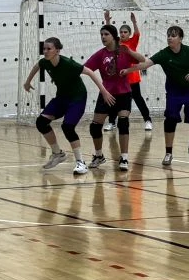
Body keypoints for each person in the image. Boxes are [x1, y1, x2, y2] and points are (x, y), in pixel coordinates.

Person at [23, 37, 114, 175]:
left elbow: (90, 72)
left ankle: (81, 163)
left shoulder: (68, 63)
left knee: (67, 127)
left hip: (77, 98)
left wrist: (104, 91)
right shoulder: (45, 62)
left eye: (49, 49)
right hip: (61, 97)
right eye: (44, 49)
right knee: (41, 122)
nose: (45, 51)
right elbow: (37, 66)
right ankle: (57, 153)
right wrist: (27, 82)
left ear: (57, 50)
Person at [123, 25, 189, 167]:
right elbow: (145, 64)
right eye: (168, 35)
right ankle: (168, 153)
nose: (169, 38)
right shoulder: (164, 54)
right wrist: (128, 70)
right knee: (170, 120)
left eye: (173, 36)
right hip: (174, 93)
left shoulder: (188, 51)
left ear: (180, 38)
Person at [83, 25, 146, 171]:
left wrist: (129, 52)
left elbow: (142, 60)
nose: (103, 37)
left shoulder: (124, 50)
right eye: (101, 34)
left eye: (106, 34)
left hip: (124, 93)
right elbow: (85, 69)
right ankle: (99, 156)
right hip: (106, 94)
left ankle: (124, 158)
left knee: (123, 123)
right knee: (95, 126)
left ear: (113, 36)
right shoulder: (100, 54)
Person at [102, 11, 154, 132]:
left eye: (125, 32)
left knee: (138, 99)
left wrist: (134, 22)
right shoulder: (116, 42)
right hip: (119, 78)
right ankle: (112, 122)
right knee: (114, 101)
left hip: (132, 78)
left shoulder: (132, 42)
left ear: (129, 34)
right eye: (121, 32)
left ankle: (148, 120)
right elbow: (110, 33)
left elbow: (137, 33)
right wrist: (107, 21)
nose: (123, 34)